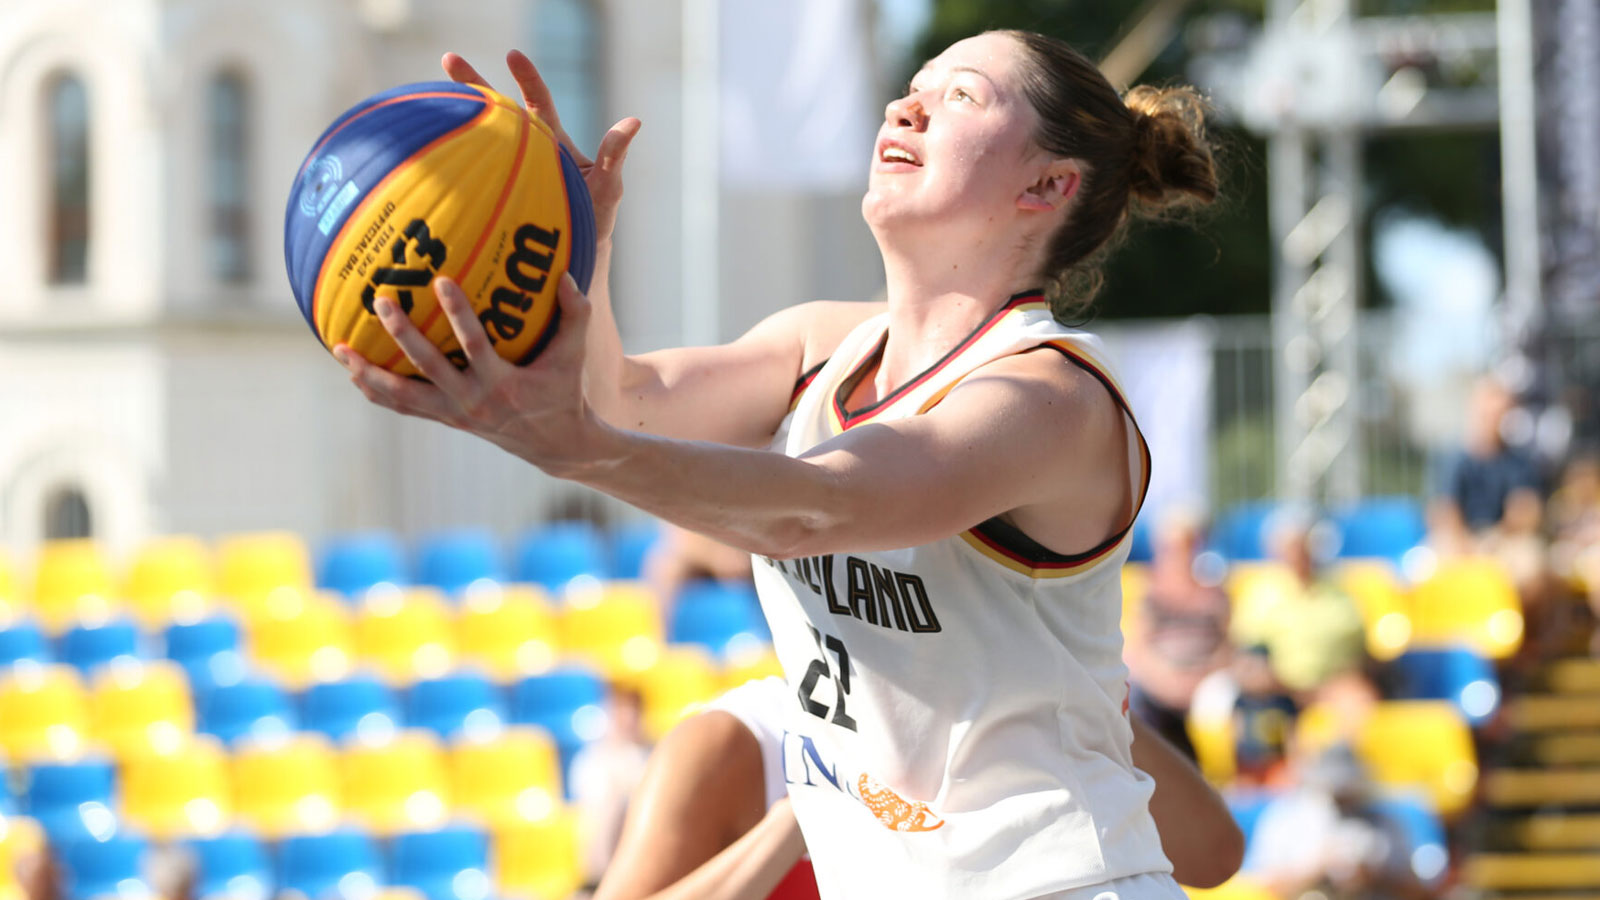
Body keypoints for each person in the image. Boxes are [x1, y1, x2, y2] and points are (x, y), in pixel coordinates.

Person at [337, 29, 1220, 898]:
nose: (905, 104)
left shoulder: (1053, 397)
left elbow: (817, 508)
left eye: (961, 96)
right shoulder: (820, 344)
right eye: (916, 81)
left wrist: (585, 456)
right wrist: (577, 239)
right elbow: (621, 400)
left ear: (1048, 183)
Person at [590, 677, 1245, 900]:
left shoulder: (1021, 719)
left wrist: (1081, 692)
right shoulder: (740, 743)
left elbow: (1213, 856)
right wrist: (796, 823)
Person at [1123, 507, 1231, 761]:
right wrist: (1165, 681)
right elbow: (1137, 651)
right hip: (1157, 687)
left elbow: (1227, 649)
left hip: (1204, 685)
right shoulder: (1149, 594)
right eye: (1169, 547)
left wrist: (1195, 680)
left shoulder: (1214, 595)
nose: (1176, 554)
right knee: (1131, 702)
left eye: (1184, 545)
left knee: (1222, 701)